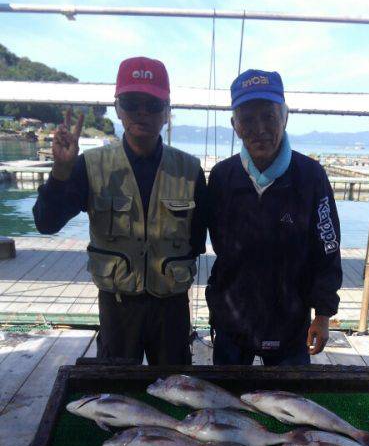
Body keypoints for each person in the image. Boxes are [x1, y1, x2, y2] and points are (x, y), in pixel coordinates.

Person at [33, 56, 207, 365]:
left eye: (152, 104)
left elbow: (197, 238)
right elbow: (46, 223)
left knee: (174, 390)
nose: (142, 111)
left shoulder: (190, 170)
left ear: (167, 112)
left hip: (171, 306)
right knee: (114, 392)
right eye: (131, 101)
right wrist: (61, 171)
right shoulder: (90, 165)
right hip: (117, 305)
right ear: (118, 107)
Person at [206, 69, 342, 366]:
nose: (260, 128)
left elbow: (328, 249)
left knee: (287, 407)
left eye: (269, 116)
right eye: (248, 119)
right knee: (227, 405)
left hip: (291, 322)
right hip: (232, 319)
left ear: (285, 117)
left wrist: (323, 313)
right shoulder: (221, 177)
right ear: (235, 125)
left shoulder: (311, 177)